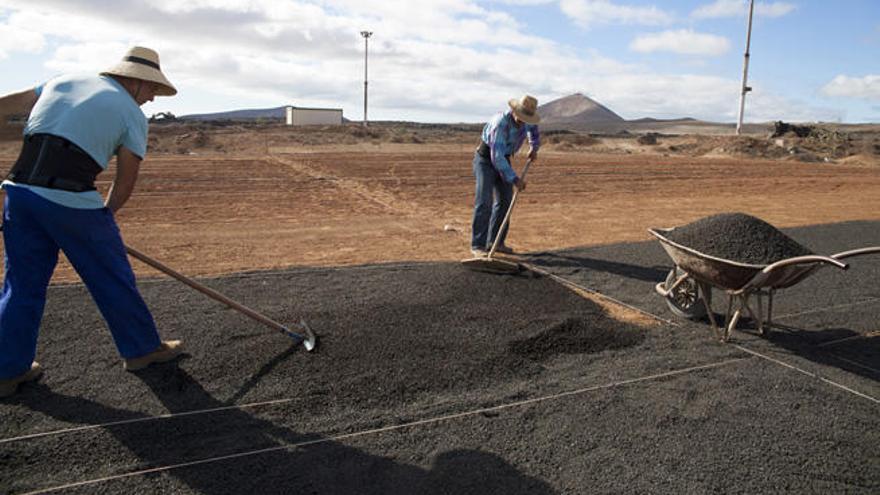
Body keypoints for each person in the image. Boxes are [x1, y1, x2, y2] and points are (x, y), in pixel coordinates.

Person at [0, 46, 183, 398]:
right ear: (134, 81)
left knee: (21, 285)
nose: (151, 99)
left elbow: (8, 103)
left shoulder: (63, 80)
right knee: (112, 278)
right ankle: (143, 350)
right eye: (151, 90)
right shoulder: (131, 114)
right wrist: (105, 216)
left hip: (19, 195)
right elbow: (126, 179)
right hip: (72, 202)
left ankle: (8, 369)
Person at [470, 95, 540, 257]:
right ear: (515, 111)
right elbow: (497, 157)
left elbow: (534, 133)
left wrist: (533, 147)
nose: (524, 122)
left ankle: (496, 242)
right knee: (484, 202)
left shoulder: (527, 121)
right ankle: (478, 246)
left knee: (505, 202)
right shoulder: (500, 123)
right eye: (522, 118)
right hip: (486, 159)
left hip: (504, 158)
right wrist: (515, 179)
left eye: (526, 119)